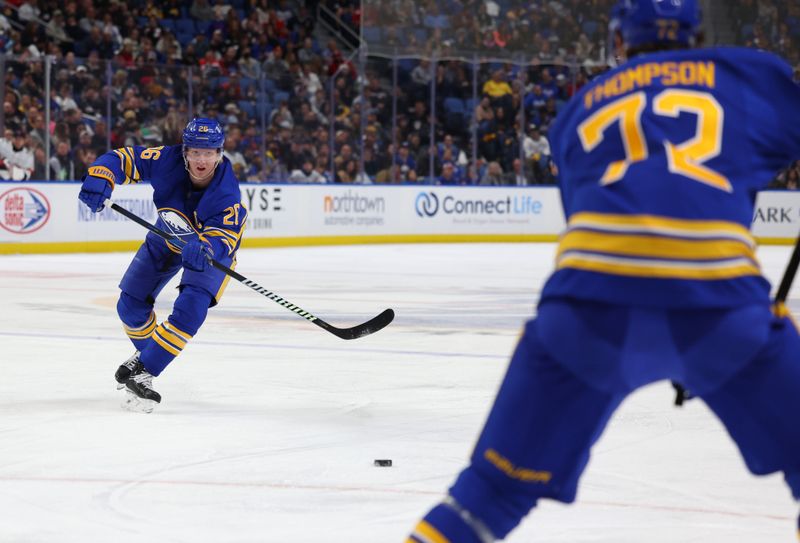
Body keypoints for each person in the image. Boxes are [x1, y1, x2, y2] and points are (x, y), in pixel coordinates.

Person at [407, 1, 800, 541]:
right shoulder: (747, 75)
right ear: (697, 32)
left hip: (588, 311)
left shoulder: (576, 113)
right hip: (719, 306)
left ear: (618, 41)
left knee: (490, 496)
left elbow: (593, 214)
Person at [78, 118, 247, 413]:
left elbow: (224, 237)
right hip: (167, 234)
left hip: (208, 251)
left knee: (191, 309)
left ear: (219, 154)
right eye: (195, 152)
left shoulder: (226, 194)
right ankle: (147, 353)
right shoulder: (165, 158)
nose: (201, 160)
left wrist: (206, 246)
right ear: (185, 151)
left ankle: (145, 370)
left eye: (208, 153)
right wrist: (102, 176)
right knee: (129, 306)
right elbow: (122, 158)